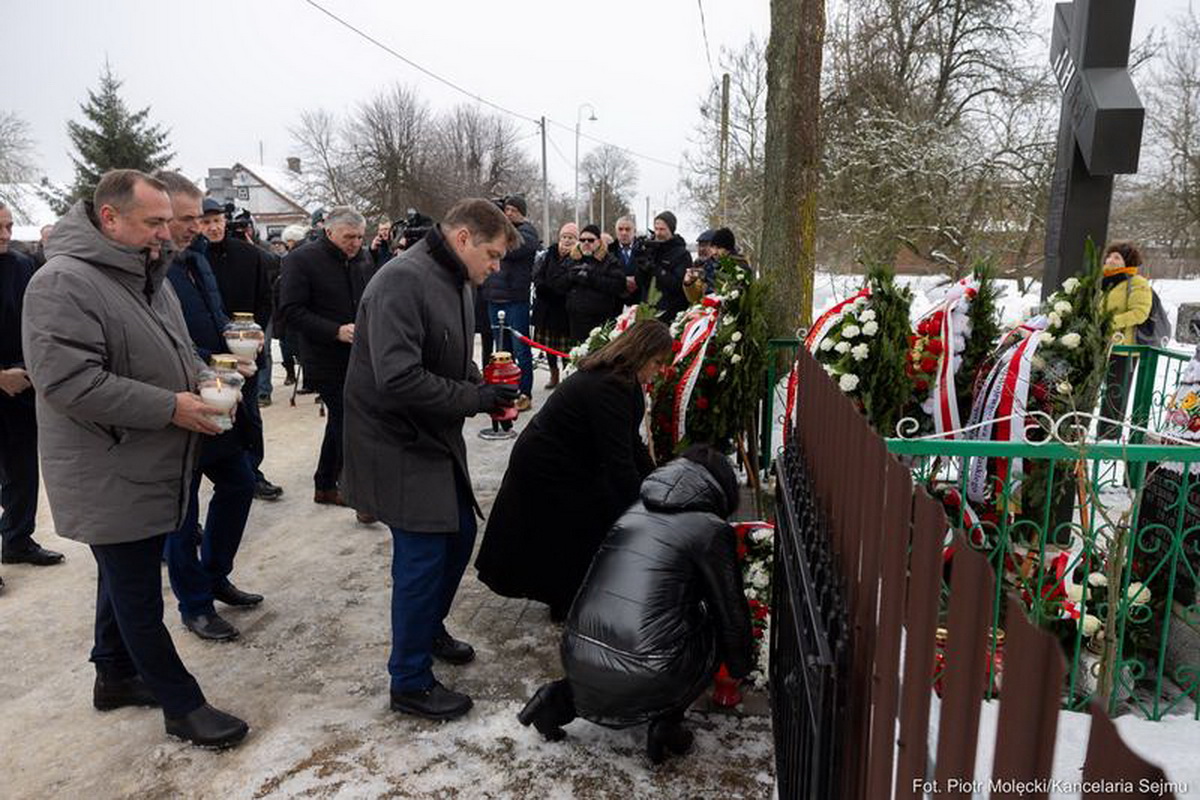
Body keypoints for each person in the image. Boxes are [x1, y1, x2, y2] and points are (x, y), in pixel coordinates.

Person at [21, 169, 248, 748]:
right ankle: (182, 705)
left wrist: (208, 377)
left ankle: (114, 675)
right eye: (154, 222)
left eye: (169, 221)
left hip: (145, 459)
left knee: (124, 575)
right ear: (109, 218)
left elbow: (176, 350)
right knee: (137, 592)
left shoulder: (147, 274)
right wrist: (171, 407)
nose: (166, 234)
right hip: (107, 463)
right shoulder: (61, 283)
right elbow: (68, 382)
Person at [342, 198, 520, 721]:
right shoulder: (402, 280)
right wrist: (475, 399)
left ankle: (427, 629)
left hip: (431, 435)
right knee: (421, 558)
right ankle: (410, 681)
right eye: (492, 254)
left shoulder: (458, 280)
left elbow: (450, 355)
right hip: (394, 439)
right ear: (463, 238)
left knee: (458, 536)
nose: (496, 267)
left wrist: (481, 384)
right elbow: (397, 378)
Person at [517, 445, 753, 764]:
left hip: (575, 653)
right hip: (649, 671)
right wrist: (740, 667)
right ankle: (667, 722)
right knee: (713, 625)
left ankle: (558, 699)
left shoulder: (633, 511)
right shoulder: (710, 529)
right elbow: (731, 614)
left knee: (627, 658)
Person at [475, 320, 673, 620]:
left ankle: (571, 595)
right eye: (657, 362)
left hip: (567, 460)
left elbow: (631, 443)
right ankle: (566, 600)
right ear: (641, 353)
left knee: (579, 525)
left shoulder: (623, 380)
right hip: (547, 465)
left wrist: (657, 482)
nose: (659, 371)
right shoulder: (610, 386)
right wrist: (645, 507)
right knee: (569, 530)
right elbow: (619, 463)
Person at [157, 172, 262, 642]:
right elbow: (166, 342)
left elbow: (215, 319)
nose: (196, 226)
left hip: (218, 392)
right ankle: (194, 605)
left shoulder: (196, 259)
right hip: (178, 404)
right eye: (187, 218)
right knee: (182, 513)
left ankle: (216, 574)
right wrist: (216, 365)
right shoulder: (153, 269)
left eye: (199, 217)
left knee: (240, 483)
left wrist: (239, 344)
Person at [279, 206, 377, 515]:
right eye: (349, 237)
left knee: (344, 421)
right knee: (349, 420)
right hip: (324, 356)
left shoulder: (363, 258)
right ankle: (356, 492)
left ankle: (325, 484)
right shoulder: (301, 260)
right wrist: (335, 331)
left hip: (361, 355)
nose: (355, 243)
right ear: (329, 231)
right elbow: (290, 311)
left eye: (360, 237)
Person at [197, 199, 283, 500]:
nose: (213, 227)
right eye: (206, 222)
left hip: (246, 350)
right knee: (215, 414)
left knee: (249, 413)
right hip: (208, 354)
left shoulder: (248, 254)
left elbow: (265, 297)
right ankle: (223, 475)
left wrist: (253, 336)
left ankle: (252, 471)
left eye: (217, 220)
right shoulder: (192, 259)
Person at [1, 202, 65, 585]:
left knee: (23, 471)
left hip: (23, 385)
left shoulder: (22, 265)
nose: (6, 235)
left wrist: (33, 368)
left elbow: (39, 321)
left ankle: (17, 539)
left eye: (9, 226)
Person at [484, 195, 538, 411]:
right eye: (506, 210)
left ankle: (525, 393)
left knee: (521, 350)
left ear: (522, 213)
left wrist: (499, 227)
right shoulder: (499, 230)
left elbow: (511, 248)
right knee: (501, 350)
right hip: (494, 298)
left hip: (516, 300)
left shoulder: (527, 232)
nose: (508, 213)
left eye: (513, 210)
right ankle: (505, 391)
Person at [1099, 241, 1154, 439]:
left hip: (1123, 349)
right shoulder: (1105, 281)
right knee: (1092, 392)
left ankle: (1108, 438)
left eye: (1117, 257)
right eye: (1109, 256)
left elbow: (1140, 313)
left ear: (1127, 262)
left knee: (1115, 396)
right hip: (1100, 346)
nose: (1110, 260)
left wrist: (1109, 323)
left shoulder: (1137, 283)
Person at [557, 223, 626, 341]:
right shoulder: (572, 259)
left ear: (599, 241)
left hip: (600, 320)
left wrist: (592, 278)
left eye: (590, 240)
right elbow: (557, 283)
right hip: (575, 319)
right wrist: (570, 277)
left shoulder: (609, 260)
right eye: (582, 240)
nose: (586, 243)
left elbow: (618, 285)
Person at [531, 223, 577, 389]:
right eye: (564, 237)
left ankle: (566, 377)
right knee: (548, 347)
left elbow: (569, 281)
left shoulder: (577, 257)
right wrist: (542, 286)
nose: (567, 240)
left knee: (565, 349)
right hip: (546, 307)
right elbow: (538, 275)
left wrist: (553, 288)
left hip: (563, 309)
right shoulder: (549, 253)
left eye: (571, 237)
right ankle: (554, 375)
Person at [646, 211, 693, 321]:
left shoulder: (682, 254)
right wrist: (642, 266)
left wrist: (656, 269)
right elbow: (641, 283)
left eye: (662, 229)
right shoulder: (650, 250)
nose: (658, 233)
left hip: (671, 311)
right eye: (656, 229)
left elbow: (677, 285)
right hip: (649, 309)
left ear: (671, 230)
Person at [276, 224, 308, 387]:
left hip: (293, 307)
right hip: (294, 307)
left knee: (292, 344)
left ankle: (302, 378)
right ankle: (303, 379)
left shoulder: (294, 257)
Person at [612, 215, 645, 304]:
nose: (624, 233)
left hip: (639, 301)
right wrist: (623, 280)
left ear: (634, 231)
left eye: (627, 229)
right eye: (620, 229)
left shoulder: (644, 251)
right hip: (615, 301)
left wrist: (637, 279)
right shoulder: (609, 251)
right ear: (616, 232)